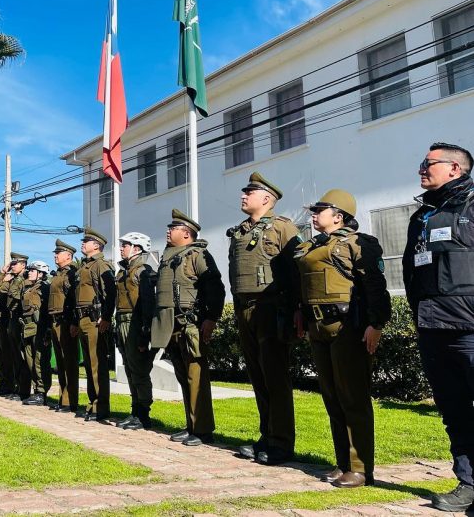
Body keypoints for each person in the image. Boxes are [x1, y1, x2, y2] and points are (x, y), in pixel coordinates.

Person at [293, 190, 391, 488]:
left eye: (320, 210)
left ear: (339, 216)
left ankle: (361, 469)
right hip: (317, 327)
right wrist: (300, 311)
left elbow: (374, 284)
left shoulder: (356, 244)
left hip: (347, 326)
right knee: (333, 397)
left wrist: (376, 324)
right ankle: (343, 463)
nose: (313, 214)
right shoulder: (311, 246)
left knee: (353, 398)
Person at [403, 142, 474, 512]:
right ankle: (468, 483)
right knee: (455, 412)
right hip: (433, 328)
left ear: (455, 169)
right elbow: (411, 272)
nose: (421, 169)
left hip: (470, 329)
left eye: (428, 163)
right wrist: (418, 316)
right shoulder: (422, 216)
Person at [228, 172, 302, 465]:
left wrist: (297, 309)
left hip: (272, 309)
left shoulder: (283, 228)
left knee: (275, 376)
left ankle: (282, 443)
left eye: (250, 192)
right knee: (257, 376)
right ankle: (267, 436)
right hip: (245, 309)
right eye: (244, 192)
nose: (244, 196)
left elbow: (295, 272)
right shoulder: (240, 231)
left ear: (267, 199)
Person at [154, 210, 225, 446]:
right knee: (184, 377)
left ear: (186, 234)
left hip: (191, 324)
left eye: (172, 228)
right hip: (172, 325)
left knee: (196, 376)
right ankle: (192, 424)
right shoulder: (169, 256)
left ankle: (203, 429)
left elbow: (215, 288)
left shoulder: (197, 255)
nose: (168, 231)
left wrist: (211, 318)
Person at [113, 232, 157, 431]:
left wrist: (144, 333)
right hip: (121, 321)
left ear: (137, 248)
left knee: (139, 370)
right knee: (130, 369)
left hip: (135, 322)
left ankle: (143, 414)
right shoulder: (123, 271)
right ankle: (135, 410)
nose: (121, 248)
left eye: (126, 245)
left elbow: (148, 304)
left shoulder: (143, 271)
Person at [73, 227, 117, 422]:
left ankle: (101, 407)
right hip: (82, 318)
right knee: (89, 365)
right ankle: (92, 403)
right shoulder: (85, 266)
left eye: (86, 241)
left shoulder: (101, 265)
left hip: (95, 320)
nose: (83, 244)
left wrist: (106, 317)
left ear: (96, 245)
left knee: (96, 364)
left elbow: (109, 293)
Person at [47, 239, 81, 413]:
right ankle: (63, 398)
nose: (55, 255)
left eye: (58, 253)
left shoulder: (71, 273)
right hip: (55, 320)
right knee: (60, 362)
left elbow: (74, 298)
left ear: (68, 256)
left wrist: (75, 322)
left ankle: (70, 401)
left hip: (66, 321)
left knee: (69, 362)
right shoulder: (58, 274)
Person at [0, 253, 28, 399]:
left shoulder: (22, 279)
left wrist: (6, 280)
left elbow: (6, 291)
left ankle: (19, 388)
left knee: (17, 358)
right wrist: (2, 273)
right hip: (9, 322)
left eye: (15, 264)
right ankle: (8, 385)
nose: (12, 266)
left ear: (23, 265)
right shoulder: (12, 278)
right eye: (11, 264)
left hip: (16, 320)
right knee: (5, 357)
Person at [21, 261, 53, 406]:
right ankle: (36, 390)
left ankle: (41, 392)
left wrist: (47, 330)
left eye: (32, 271)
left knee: (40, 361)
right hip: (28, 328)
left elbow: (47, 309)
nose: (29, 272)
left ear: (41, 273)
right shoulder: (30, 288)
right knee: (30, 361)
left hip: (39, 328)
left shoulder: (44, 288)